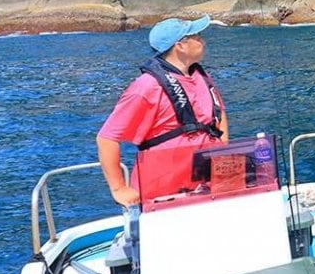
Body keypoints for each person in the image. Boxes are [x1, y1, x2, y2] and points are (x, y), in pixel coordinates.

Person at [98, 16, 229, 206]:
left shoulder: (202, 76)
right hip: (163, 190)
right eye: (196, 35)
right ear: (180, 46)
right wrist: (119, 188)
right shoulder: (146, 87)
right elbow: (107, 138)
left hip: (207, 185)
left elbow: (218, 114)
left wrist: (222, 150)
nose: (202, 40)